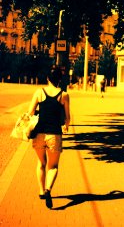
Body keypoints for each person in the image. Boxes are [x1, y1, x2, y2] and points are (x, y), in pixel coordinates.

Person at [28, 67, 70, 209]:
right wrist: (66, 125)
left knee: (41, 163)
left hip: (39, 133)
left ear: (47, 78)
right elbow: (67, 118)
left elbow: (30, 112)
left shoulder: (39, 92)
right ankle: (48, 190)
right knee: (53, 166)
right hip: (54, 135)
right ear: (59, 79)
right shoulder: (63, 95)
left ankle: (41, 191)